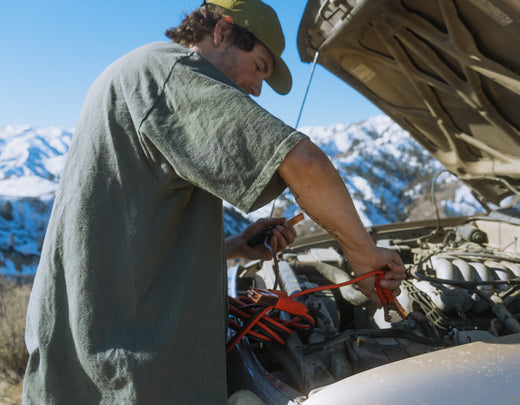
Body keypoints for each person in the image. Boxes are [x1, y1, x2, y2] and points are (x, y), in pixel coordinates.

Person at [22, 0, 405, 403]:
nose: (258, 88)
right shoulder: (170, 71)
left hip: (89, 355)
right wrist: (363, 255)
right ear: (221, 31)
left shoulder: (140, 74)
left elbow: (125, 240)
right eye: (259, 66)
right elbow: (305, 163)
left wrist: (236, 248)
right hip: (125, 370)